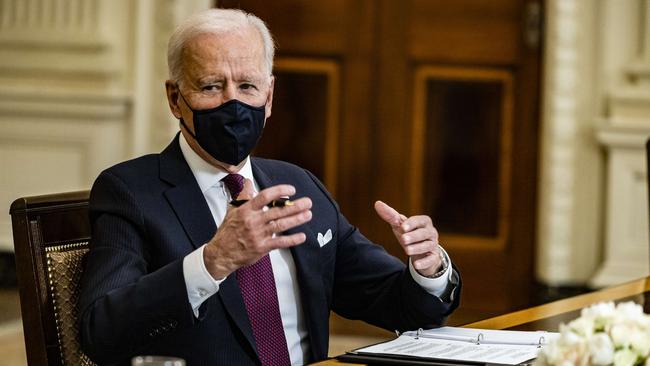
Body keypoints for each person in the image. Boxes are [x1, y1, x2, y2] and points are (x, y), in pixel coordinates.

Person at [78, 8, 461, 366]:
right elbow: (101, 332)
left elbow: (400, 305)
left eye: (247, 86)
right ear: (176, 98)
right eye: (211, 87)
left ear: (270, 96)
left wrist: (429, 270)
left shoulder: (296, 185)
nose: (232, 103)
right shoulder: (129, 192)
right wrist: (211, 262)